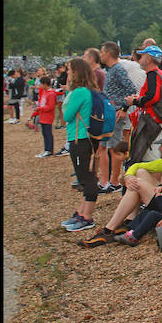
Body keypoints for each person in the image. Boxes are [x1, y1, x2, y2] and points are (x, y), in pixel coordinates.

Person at [77, 131, 162, 248]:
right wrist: (128, 177)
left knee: (138, 184)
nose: (159, 149)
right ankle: (130, 221)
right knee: (139, 172)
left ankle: (108, 230)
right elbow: (137, 166)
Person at [59, 58, 103, 232]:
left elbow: (67, 115)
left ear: (76, 72)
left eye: (69, 70)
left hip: (80, 138)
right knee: (86, 175)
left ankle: (88, 216)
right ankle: (82, 211)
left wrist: (66, 100)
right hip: (85, 137)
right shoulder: (87, 91)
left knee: (86, 177)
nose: (67, 73)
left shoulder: (78, 92)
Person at [98, 41, 140, 193]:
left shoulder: (118, 69)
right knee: (109, 147)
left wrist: (124, 108)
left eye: (102, 52)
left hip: (116, 114)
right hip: (110, 113)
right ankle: (110, 180)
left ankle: (115, 182)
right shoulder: (112, 70)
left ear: (108, 54)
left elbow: (131, 88)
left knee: (114, 148)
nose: (100, 55)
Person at [114, 166, 162, 247]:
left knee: (153, 215)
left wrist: (159, 197)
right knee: (145, 212)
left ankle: (134, 237)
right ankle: (130, 231)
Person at [123, 45, 162, 165]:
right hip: (160, 118)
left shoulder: (153, 74)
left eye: (142, 56)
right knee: (154, 154)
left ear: (149, 59)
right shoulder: (160, 73)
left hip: (153, 121)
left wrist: (134, 101)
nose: (139, 59)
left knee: (151, 158)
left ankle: (154, 183)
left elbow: (152, 97)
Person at [29, 76, 56, 157]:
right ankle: (46, 149)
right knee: (44, 133)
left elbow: (50, 106)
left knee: (48, 133)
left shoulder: (51, 94)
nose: (40, 85)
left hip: (48, 116)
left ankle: (49, 150)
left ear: (45, 84)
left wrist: (40, 108)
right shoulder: (44, 92)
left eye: (41, 83)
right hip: (43, 115)